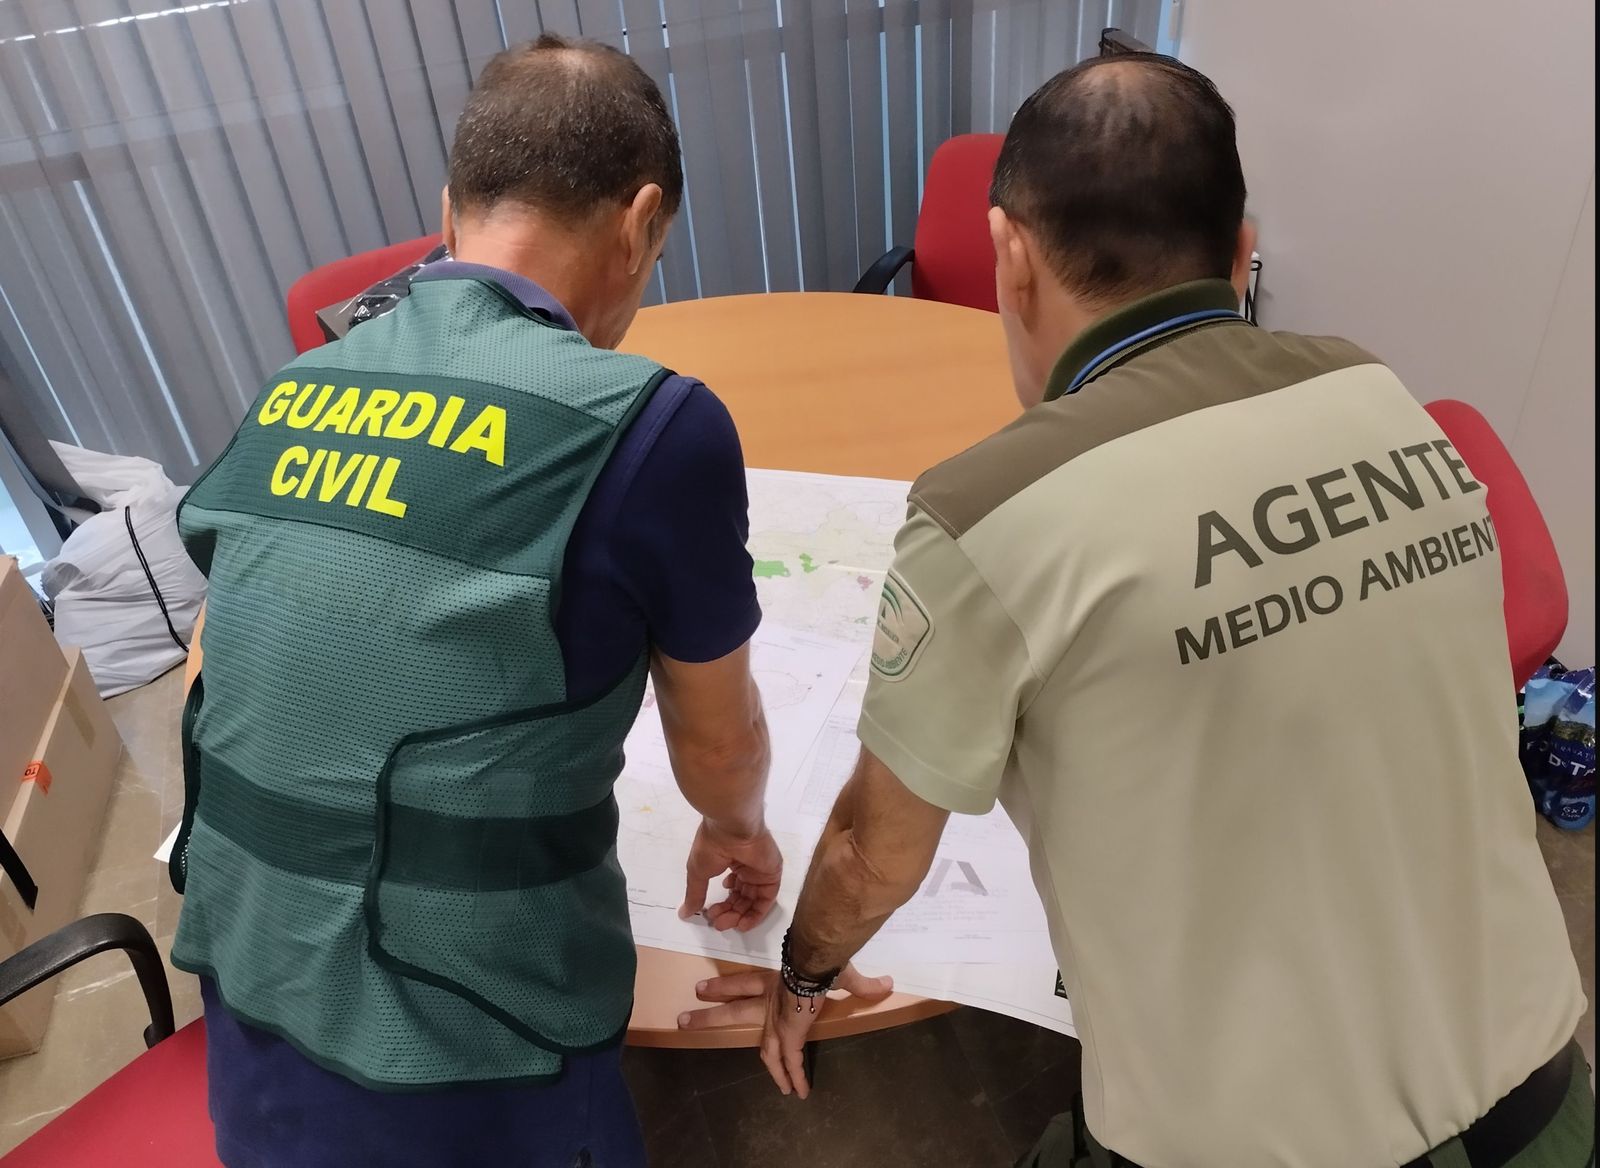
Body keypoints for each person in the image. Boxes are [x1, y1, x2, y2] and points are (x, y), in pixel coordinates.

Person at [684, 54, 1593, 1168]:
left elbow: (875, 850)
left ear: (1010, 259)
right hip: (1547, 1096)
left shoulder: (990, 511)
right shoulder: (1377, 392)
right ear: (1242, 249)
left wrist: (802, 970)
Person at [169, 36, 782, 1168]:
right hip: (468, 1071)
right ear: (642, 222)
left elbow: (234, 660)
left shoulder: (294, 388)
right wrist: (738, 828)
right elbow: (716, 736)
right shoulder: (656, 426)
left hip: (248, 1025)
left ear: (448, 209)